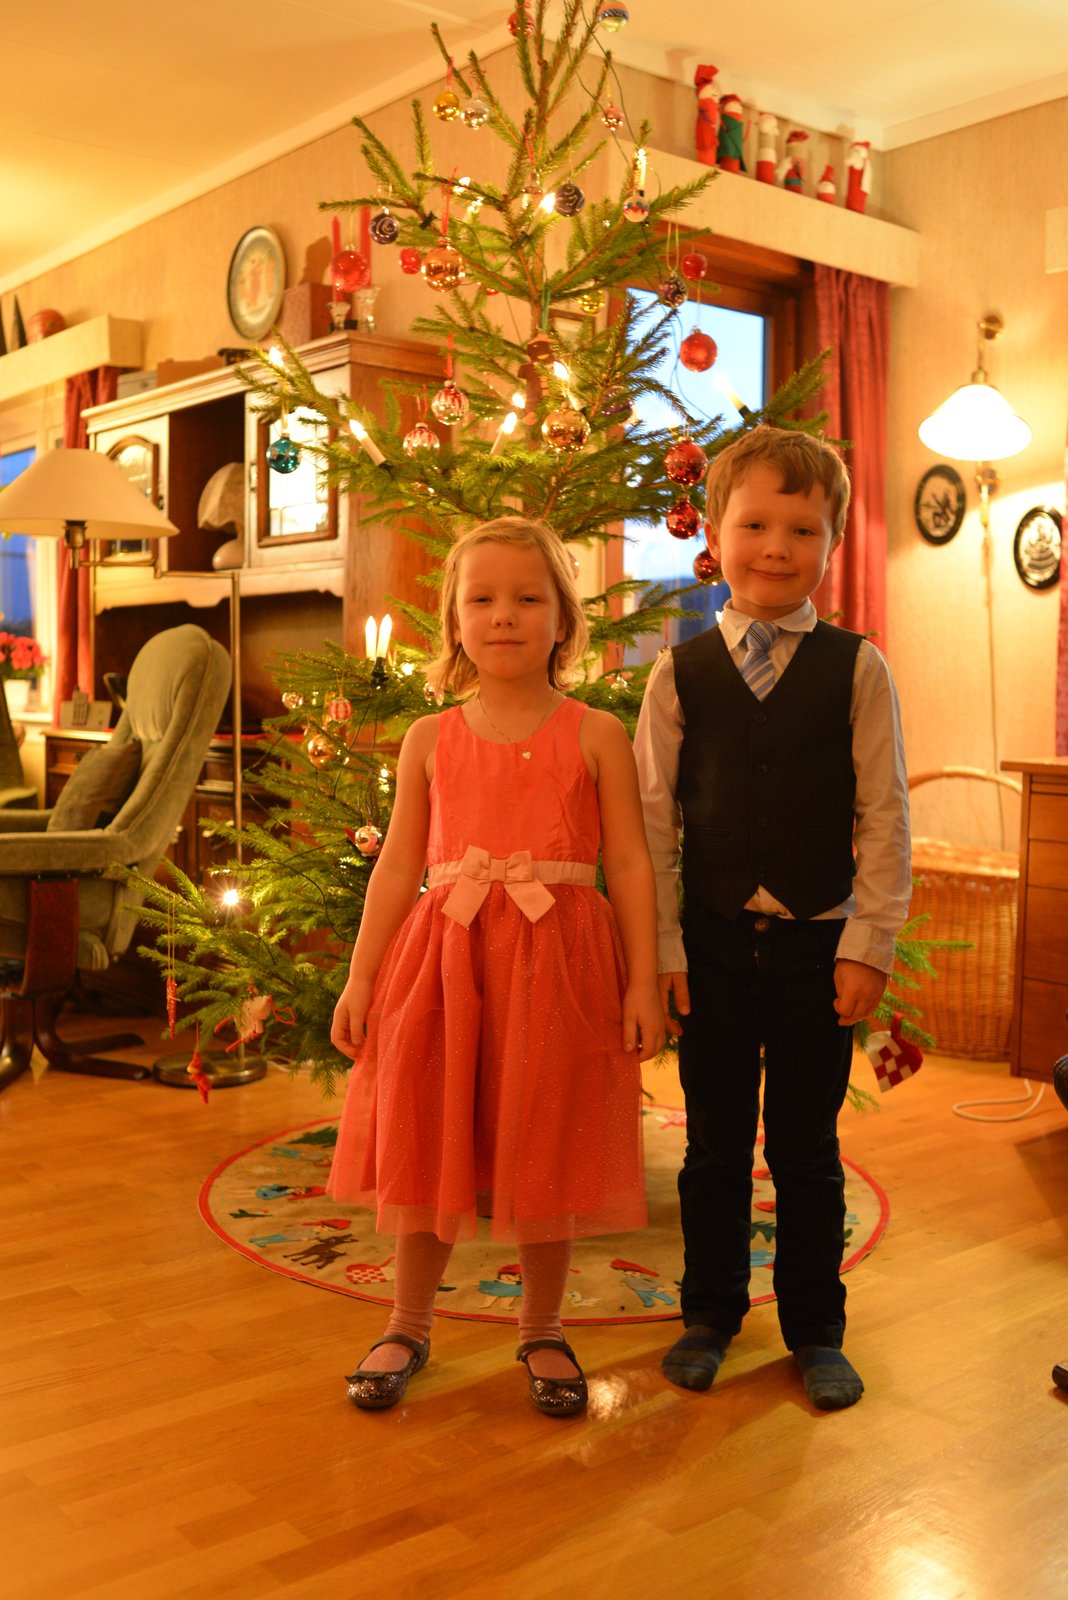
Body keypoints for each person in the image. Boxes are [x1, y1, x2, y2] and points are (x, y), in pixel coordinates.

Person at [328, 516, 664, 1417]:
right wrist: (361, 978)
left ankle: (542, 1325)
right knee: (429, 1131)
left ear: (564, 620)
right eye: (481, 599)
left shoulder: (596, 733)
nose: (504, 615)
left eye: (527, 598)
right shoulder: (428, 738)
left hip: (560, 966)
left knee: (545, 1135)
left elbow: (631, 865)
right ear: (454, 621)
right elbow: (397, 867)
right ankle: (408, 1321)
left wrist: (641, 981)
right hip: (445, 963)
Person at [633, 426, 910, 1410]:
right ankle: (709, 1312)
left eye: (802, 528)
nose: (776, 547)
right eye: (754, 524)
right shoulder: (677, 674)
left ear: (832, 542)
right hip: (709, 947)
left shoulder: (857, 669)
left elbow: (885, 814)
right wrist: (661, 949)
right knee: (714, 1144)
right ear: (714, 533)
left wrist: (868, 944)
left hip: (815, 950)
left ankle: (815, 1326)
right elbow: (650, 825)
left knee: (805, 1148)